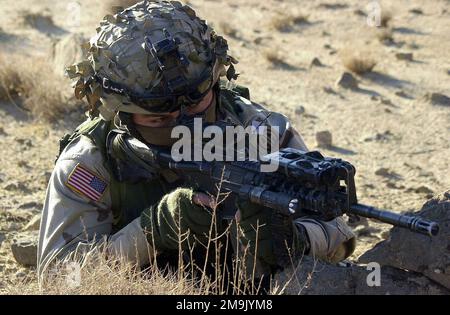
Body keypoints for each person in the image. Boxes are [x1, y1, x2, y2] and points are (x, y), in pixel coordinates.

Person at [37, 0, 356, 289]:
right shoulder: (93, 159)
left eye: (198, 106)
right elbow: (61, 281)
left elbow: (339, 236)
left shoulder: (259, 130)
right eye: (160, 120)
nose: (185, 127)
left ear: (216, 84)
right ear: (123, 116)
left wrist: (295, 239)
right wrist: (153, 229)